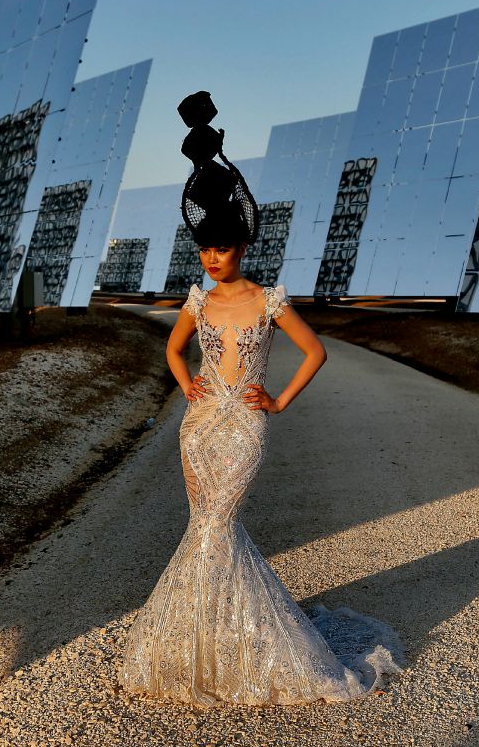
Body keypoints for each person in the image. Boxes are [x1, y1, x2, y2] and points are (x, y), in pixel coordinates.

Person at [117, 93, 405, 707]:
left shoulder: (270, 301)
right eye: (203, 250)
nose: (211, 258)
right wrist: (186, 384)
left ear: (241, 246)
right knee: (202, 528)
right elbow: (172, 353)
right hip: (198, 425)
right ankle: (199, 643)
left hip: (245, 426)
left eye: (219, 249)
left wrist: (276, 403)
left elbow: (315, 353)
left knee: (220, 527)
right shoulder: (197, 300)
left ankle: (244, 650)